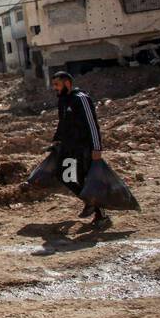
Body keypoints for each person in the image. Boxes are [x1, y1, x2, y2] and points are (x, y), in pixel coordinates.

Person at [49, 70, 109, 229]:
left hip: (84, 148)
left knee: (87, 179)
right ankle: (89, 200)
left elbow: (92, 124)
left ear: (67, 83)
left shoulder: (81, 99)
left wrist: (97, 148)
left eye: (57, 84)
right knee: (65, 176)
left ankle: (101, 214)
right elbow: (62, 123)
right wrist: (57, 140)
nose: (54, 88)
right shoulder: (63, 100)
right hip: (69, 147)